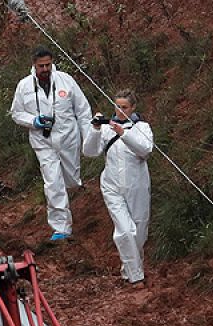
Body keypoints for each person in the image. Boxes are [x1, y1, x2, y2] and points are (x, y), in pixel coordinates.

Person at [10, 47, 92, 241]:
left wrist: (89, 139)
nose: (45, 69)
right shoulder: (24, 86)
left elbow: (83, 110)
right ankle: (61, 227)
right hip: (43, 141)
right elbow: (16, 113)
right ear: (34, 65)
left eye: (48, 64)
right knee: (53, 183)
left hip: (68, 138)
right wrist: (33, 121)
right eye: (41, 66)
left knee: (71, 180)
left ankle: (72, 198)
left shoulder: (66, 81)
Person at [83, 91, 153, 285]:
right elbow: (89, 151)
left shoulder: (142, 127)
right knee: (125, 231)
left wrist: (124, 134)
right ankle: (136, 276)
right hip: (112, 185)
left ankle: (128, 268)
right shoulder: (106, 129)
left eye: (125, 107)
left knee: (139, 231)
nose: (120, 111)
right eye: (117, 107)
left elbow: (145, 150)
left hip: (137, 184)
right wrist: (95, 129)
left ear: (133, 108)